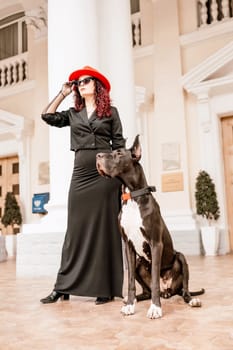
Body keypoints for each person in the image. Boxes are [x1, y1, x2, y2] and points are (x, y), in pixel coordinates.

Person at [40, 66, 126, 305]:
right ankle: (63, 287)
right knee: (74, 231)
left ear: (96, 84)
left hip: (105, 176)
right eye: (78, 82)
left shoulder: (111, 112)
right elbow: (47, 116)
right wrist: (62, 93)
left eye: (85, 80)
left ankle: (104, 287)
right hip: (81, 173)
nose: (80, 84)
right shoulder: (73, 113)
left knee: (104, 230)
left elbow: (118, 147)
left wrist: (122, 182)